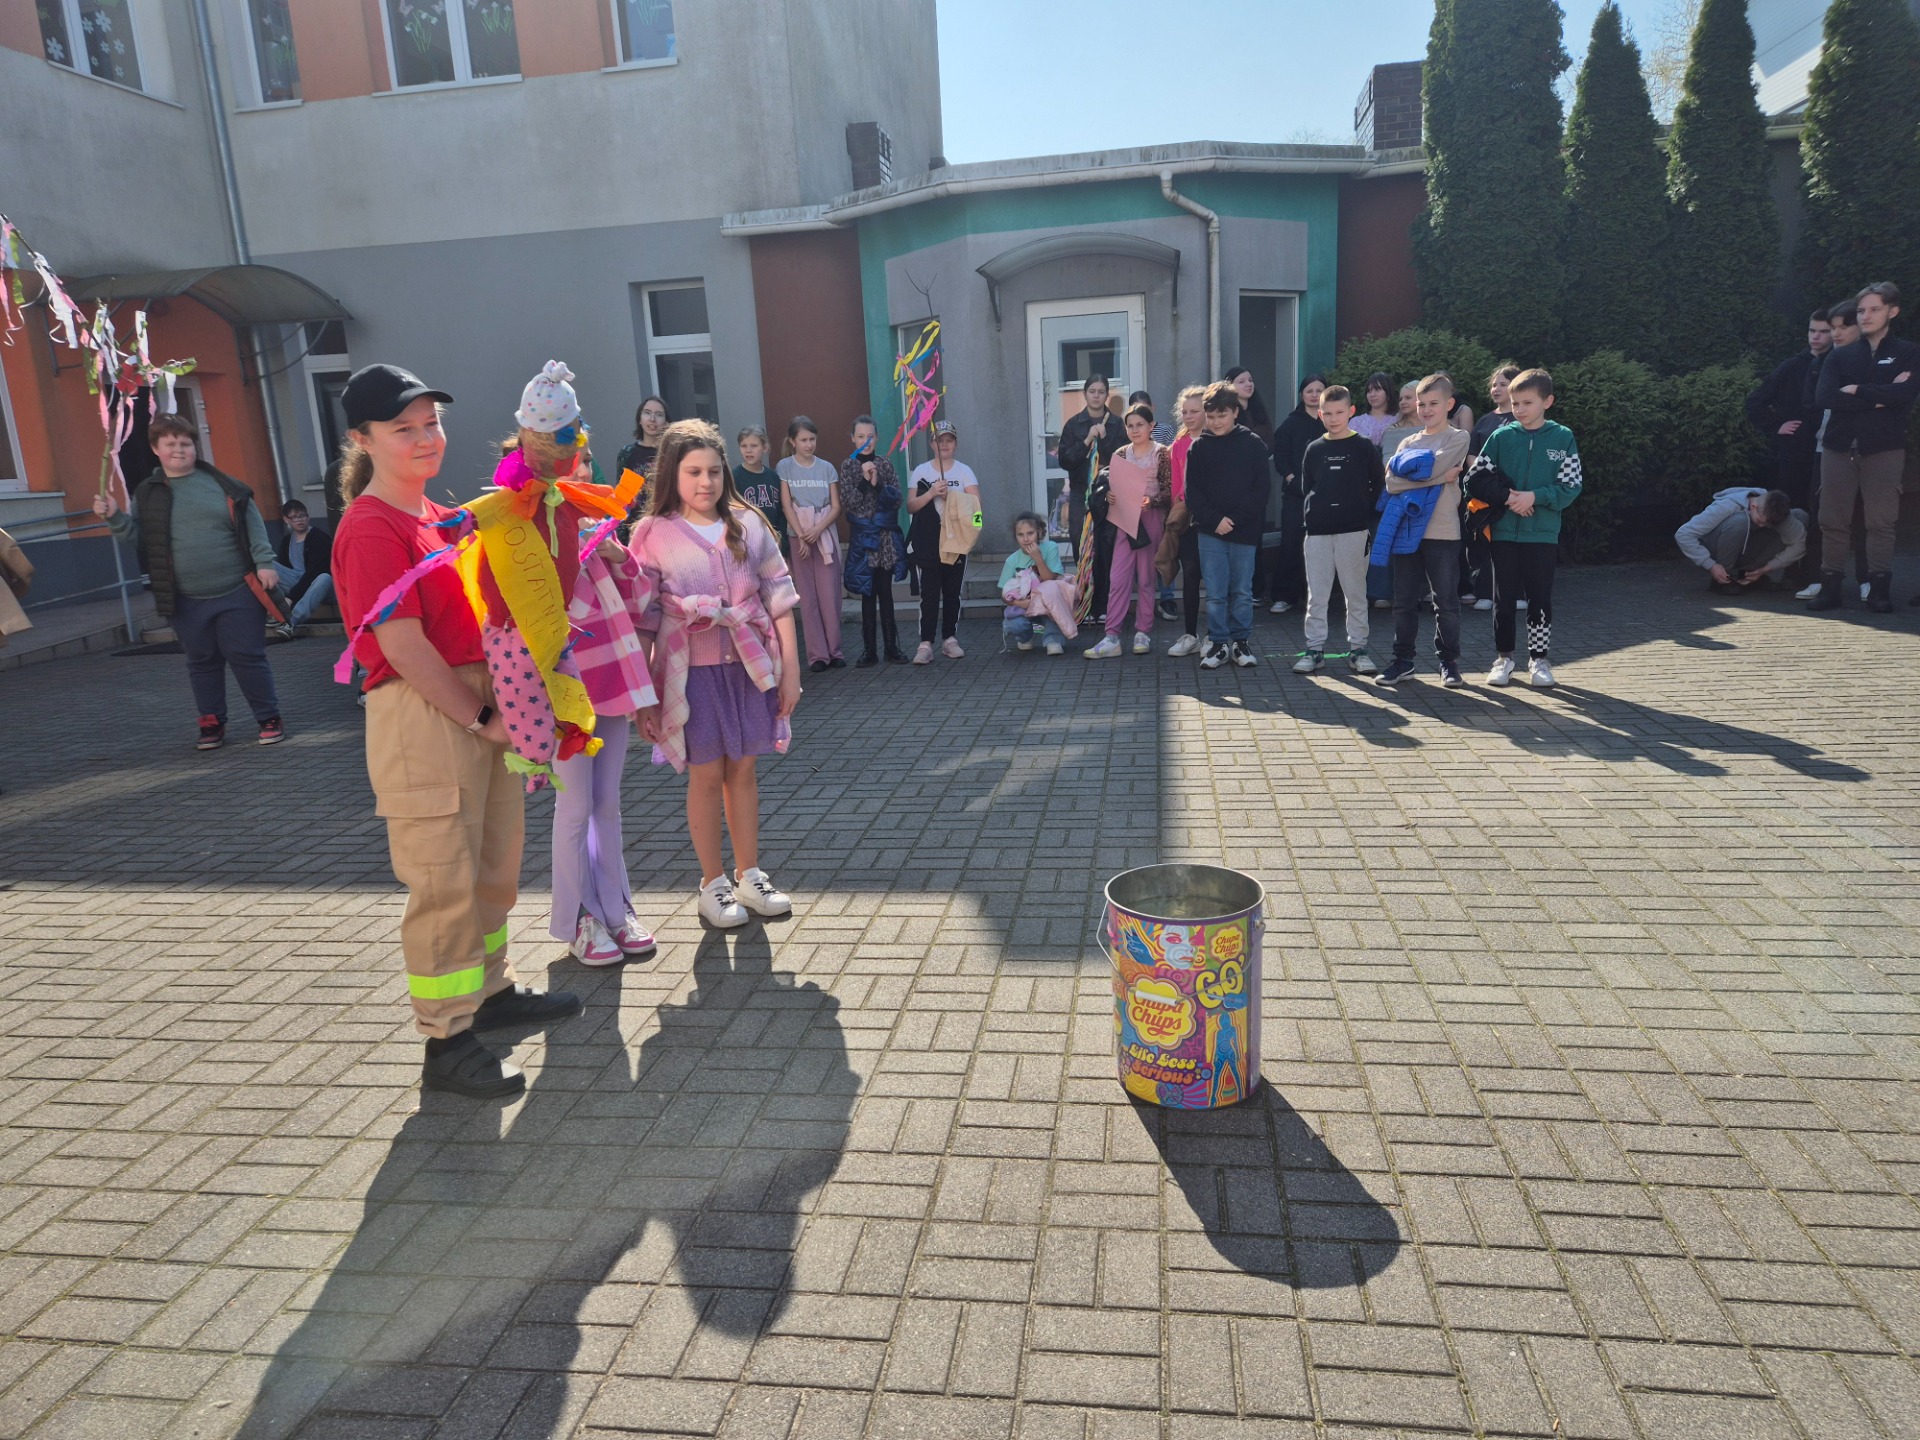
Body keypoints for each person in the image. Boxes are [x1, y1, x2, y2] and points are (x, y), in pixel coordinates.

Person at [330, 363, 581, 1100]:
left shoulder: (440, 515)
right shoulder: (370, 526)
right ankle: (446, 1038)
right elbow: (402, 645)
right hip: (423, 710)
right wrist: (481, 718)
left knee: (492, 866)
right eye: (402, 429)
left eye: (431, 423)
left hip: (476, 702)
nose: (425, 438)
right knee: (442, 879)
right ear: (363, 439)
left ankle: (490, 992)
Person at [630, 420, 802, 929]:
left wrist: (790, 671)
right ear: (671, 473)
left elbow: (779, 598)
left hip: (750, 669)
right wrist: (644, 695)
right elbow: (644, 618)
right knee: (706, 775)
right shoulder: (651, 533)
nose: (705, 482)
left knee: (743, 771)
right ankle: (712, 883)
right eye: (693, 471)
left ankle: (750, 874)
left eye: (712, 470)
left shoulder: (748, 524)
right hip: (690, 676)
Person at [97, 413, 286, 750]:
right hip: (184, 598)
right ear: (156, 449)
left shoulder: (223, 485)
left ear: (195, 447)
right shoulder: (148, 493)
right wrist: (114, 517)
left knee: (246, 655)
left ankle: (268, 717)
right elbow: (141, 539)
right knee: (202, 661)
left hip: (237, 590)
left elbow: (252, 525)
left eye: (185, 443)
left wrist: (264, 563)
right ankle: (211, 722)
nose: (179, 449)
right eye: (170, 443)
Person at [1467, 368, 1583, 686]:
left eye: (1527, 402)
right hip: (1503, 532)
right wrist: (1508, 497)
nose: (1519, 409)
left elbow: (1571, 486)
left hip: (1543, 534)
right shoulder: (1501, 437)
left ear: (1548, 401)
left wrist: (1535, 497)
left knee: (1539, 599)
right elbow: (1474, 479)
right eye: (1515, 403)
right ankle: (1504, 658)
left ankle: (1539, 660)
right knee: (1503, 601)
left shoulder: (1563, 437)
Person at [1812, 281, 1919, 614]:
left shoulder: (1909, 352)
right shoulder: (1840, 354)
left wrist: (1857, 389)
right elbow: (1824, 397)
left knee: (1881, 523)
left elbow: (1905, 395)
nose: (1866, 316)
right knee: (1832, 519)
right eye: (1861, 310)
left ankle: (1879, 590)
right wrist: (1880, 397)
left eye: (1874, 309)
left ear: (1893, 311)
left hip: (1884, 448)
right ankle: (1830, 588)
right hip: (1838, 447)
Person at [1375, 374, 1470, 688]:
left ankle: (1449, 663)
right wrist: (1441, 478)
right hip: (1407, 530)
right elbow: (1391, 484)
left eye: (1433, 403)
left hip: (1443, 532)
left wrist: (1423, 475)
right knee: (1404, 602)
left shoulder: (1458, 438)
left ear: (1449, 404)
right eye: (1421, 403)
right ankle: (1402, 662)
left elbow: (1425, 470)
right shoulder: (1407, 442)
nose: (1426, 410)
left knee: (1446, 602)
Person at [1293, 386, 1383, 676]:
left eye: (1339, 412)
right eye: (1328, 413)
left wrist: (1360, 510)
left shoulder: (1364, 447)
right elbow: (1308, 487)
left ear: (1351, 412)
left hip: (1354, 531)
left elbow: (1378, 485)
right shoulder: (1314, 449)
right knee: (1317, 595)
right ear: (1320, 414)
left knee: (1355, 593)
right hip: (1317, 532)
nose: (1333, 419)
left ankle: (1358, 649)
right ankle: (1314, 650)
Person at [1185, 381, 1270, 670]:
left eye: (1222, 415)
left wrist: (1234, 520)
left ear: (1235, 411)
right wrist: (1215, 520)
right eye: (1211, 416)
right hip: (1210, 532)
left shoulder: (1253, 444)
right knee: (1215, 593)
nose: (1216, 421)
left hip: (1244, 531)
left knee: (1242, 591)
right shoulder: (1198, 448)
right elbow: (1193, 493)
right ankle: (1219, 643)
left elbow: (1261, 490)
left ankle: (1240, 642)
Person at [1086, 402, 1170, 658]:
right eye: (1130, 425)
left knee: (1146, 578)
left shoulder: (1162, 453)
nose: (1135, 430)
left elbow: (1169, 490)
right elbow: (1112, 485)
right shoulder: (1121, 453)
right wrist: (1109, 496)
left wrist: (1151, 501)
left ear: (1151, 426)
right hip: (1124, 517)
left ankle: (1143, 632)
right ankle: (1111, 636)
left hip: (1150, 517)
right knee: (1118, 577)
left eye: (1140, 425)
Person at [1797, 299, 1866, 602]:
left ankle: (1868, 580)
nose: (1835, 334)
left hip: (1866, 448)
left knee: (1865, 515)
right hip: (1825, 448)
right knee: (1821, 515)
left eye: (1842, 327)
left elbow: (1885, 400)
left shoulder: (1873, 359)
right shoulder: (1820, 363)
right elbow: (1813, 403)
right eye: (1832, 328)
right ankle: (1818, 578)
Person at [905, 419, 979, 663]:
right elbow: (910, 506)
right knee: (928, 594)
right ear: (931, 444)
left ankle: (950, 638)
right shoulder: (921, 471)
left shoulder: (964, 471)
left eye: (949, 440)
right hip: (927, 541)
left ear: (955, 444)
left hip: (956, 542)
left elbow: (977, 509)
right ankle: (925, 643)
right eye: (940, 440)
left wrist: (972, 532)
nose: (944, 444)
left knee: (952, 592)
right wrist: (931, 493)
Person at [838, 416, 909, 665]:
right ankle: (869, 650)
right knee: (867, 593)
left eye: (870, 436)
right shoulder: (848, 466)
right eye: (860, 436)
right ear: (852, 438)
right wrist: (864, 480)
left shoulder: (885, 464)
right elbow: (848, 502)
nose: (866, 441)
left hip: (885, 538)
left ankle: (892, 647)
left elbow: (897, 500)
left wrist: (878, 485)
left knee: (885, 591)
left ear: (877, 438)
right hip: (863, 538)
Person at [1746, 309, 1831, 513]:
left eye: (1823, 331)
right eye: (1812, 330)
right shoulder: (1790, 367)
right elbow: (1755, 402)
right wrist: (1776, 424)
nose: (1816, 336)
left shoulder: (1839, 364)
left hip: (1830, 449)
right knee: (1793, 507)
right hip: (1795, 452)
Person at [777, 416, 844, 671]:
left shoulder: (826, 468)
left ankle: (835, 651)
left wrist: (817, 529)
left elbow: (836, 507)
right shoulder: (785, 466)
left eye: (812, 439)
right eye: (803, 440)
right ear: (792, 441)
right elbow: (786, 505)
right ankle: (817, 656)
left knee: (829, 595)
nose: (809, 444)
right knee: (807, 598)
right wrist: (801, 535)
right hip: (799, 536)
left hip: (823, 533)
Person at [1057, 374, 1125, 623]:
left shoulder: (1116, 424)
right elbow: (1065, 460)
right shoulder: (1074, 424)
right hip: (1080, 494)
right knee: (1081, 544)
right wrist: (1087, 440)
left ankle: (1103, 605)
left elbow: (1121, 458)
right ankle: (1085, 603)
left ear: (1107, 394)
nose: (1096, 395)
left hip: (1106, 495)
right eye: (1092, 391)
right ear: (1085, 394)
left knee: (1106, 548)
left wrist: (1104, 439)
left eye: (1101, 391)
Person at [1464, 365, 1522, 611]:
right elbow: (1472, 455)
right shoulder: (1485, 421)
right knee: (1485, 542)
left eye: (1503, 384)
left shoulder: (1523, 419)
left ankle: (1516, 593)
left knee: (1514, 543)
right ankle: (1485, 592)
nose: (1496, 389)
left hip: (1516, 493)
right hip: (1486, 493)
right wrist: (1487, 481)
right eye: (1494, 384)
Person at [1674, 488, 1807, 594]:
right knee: (1740, 521)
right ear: (1753, 506)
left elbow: (1799, 544)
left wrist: (1765, 569)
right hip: (1717, 555)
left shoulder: (1772, 509)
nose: (1762, 526)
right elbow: (1684, 534)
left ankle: (1749, 575)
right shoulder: (1727, 505)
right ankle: (1724, 579)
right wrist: (1710, 565)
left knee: (1800, 516)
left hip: (1748, 554)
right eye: (1760, 521)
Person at [1266, 375, 1324, 614]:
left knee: (1321, 548)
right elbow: (1280, 455)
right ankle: (1284, 596)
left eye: (1319, 390)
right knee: (1291, 544)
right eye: (1309, 390)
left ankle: (1318, 598)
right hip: (1295, 496)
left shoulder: (1330, 421)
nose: (1314, 395)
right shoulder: (1291, 423)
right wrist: (1291, 478)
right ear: (1302, 394)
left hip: (1325, 496)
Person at [1162, 385, 1208, 656]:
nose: (1189, 416)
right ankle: (1190, 635)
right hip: (1188, 518)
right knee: (1190, 574)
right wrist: (1177, 512)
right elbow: (1175, 486)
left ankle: (1215, 636)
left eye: (1195, 411)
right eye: (1185, 412)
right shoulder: (1178, 444)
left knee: (1214, 578)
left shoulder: (1216, 440)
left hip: (1213, 518)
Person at [1000, 511, 1078, 655]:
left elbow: (1051, 580)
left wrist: (1038, 559)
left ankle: (1053, 640)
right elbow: (1004, 594)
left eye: (1030, 533)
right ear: (1015, 537)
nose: (1026, 539)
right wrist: (1018, 603)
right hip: (1025, 606)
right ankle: (1024, 638)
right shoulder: (1012, 561)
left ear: (1040, 532)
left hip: (1047, 603)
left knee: (1054, 593)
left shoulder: (1050, 547)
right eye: (1020, 535)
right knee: (1015, 624)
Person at [267, 499, 334, 638]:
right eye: (295, 517)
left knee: (324, 577)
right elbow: (284, 569)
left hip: (318, 586)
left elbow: (314, 573)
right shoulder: (287, 541)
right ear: (287, 520)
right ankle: (276, 612)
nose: (300, 520)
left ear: (308, 517)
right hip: (296, 583)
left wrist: (291, 597)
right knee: (267, 566)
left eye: (303, 516)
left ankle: (292, 621)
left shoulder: (319, 538)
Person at [733, 424, 787, 554]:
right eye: (744, 446)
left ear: (765, 448)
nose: (748, 450)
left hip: (773, 542)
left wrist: (782, 540)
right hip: (747, 543)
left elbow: (780, 512)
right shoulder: (734, 476)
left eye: (754, 446)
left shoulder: (773, 477)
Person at [616, 395, 669, 483]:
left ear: (666, 422)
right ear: (639, 419)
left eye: (659, 414)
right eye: (647, 413)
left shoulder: (673, 452)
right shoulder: (627, 453)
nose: (652, 419)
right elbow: (623, 489)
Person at [1224, 366, 1275, 448]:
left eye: (1250, 380)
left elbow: (1270, 440)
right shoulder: (1226, 413)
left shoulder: (1259, 410)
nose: (1248, 384)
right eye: (1241, 382)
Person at [1351, 372, 1396, 447]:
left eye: (1377, 389)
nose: (1372, 394)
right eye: (1369, 391)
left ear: (1388, 392)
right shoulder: (1356, 423)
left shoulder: (1399, 421)